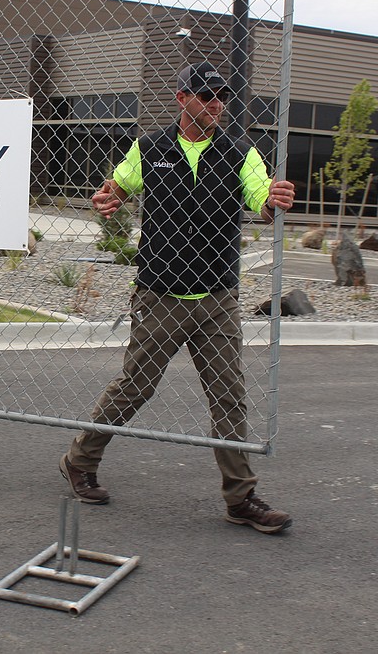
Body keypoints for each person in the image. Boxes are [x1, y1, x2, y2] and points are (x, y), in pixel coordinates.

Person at [59, 60, 297, 533]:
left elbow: (259, 197)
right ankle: (79, 462)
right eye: (206, 95)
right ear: (182, 98)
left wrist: (273, 201)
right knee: (135, 387)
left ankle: (241, 498)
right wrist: (107, 199)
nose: (216, 104)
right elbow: (118, 188)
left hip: (216, 297)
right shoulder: (150, 148)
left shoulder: (240, 152)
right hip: (160, 293)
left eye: (221, 97)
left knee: (229, 397)